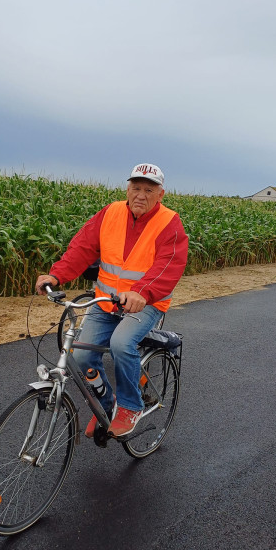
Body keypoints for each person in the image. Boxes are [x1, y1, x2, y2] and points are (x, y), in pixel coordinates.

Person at [35, 163, 188, 438]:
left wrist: (143, 292)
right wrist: (56, 275)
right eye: (136, 188)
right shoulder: (111, 213)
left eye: (148, 190)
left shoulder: (169, 222)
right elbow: (83, 247)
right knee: (81, 354)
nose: (141, 195)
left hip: (147, 303)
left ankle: (130, 405)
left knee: (120, 343)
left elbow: (169, 265)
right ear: (127, 189)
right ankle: (106, 405)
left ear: (160, 194)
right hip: (106, 301)